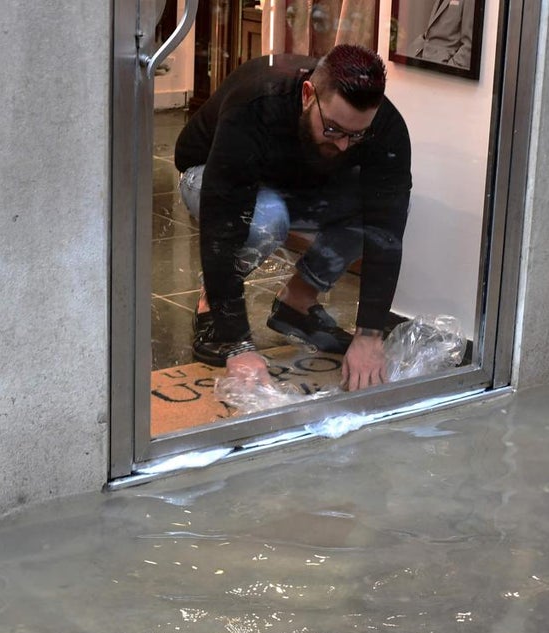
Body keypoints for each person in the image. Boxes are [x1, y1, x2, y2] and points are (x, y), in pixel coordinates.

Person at [174, 44, 412, 392]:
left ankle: (296, 303)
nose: (344, 145)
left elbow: (385, 227)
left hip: (294, 181)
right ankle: (211, 304)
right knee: (268, 218)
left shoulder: (386, 126)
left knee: (379, 203)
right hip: (207, 173)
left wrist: (369, 335)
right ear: (307, 95)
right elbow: (222, 222)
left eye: (356, 135)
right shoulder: (256, 103)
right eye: (333, 129)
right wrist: (237, 343)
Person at [407, 0, 475, 70]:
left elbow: (469, 46)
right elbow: (433, 32)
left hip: (440, 69)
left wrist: (449, 69)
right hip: (421, 60)